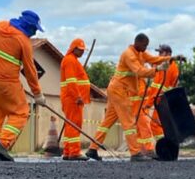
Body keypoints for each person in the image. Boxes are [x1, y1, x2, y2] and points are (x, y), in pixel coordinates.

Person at [0, 10, 44, 162]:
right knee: (21, 112)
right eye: (34, 30)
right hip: (7, 82)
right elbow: (30, 70)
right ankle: (2, 144)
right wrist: (38, 94)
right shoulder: (23, 41)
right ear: (29, 26)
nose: (34, 33)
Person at [106, 33, 172, 162]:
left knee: (134, 124)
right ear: (138, 42)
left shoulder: (140, 54)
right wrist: (158, 69)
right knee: (131, 124)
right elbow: (141, 72)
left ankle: (92, 149)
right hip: (123, 93)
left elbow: (153, 59)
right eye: (145, 45)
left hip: (138, 99)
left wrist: (170, 58)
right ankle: (137, 153)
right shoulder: (130, 56)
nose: (146, 48)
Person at [59, 38, 91, 161]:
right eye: (81, 50)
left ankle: (68, 151)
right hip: (73, 99)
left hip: (72, 98)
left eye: (83, 50)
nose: (82, 52)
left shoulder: (71, 60)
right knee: (74, 125)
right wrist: (77, 96)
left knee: (70, 125)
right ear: (74, 48)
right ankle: (74, 152)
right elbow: (71, 81)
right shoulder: (70, 61)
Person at [144, 44, 181, 144]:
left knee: (155, 125)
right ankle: (166, 144)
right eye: (158, 52)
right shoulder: (161, 64)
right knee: (159, 125)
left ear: (168, 54)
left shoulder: (171, 67)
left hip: (161, 101)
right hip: (159, 100)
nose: (158, 54)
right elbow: (150, 62)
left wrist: (148, 103)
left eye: (161, 52)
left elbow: (168, 87)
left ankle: (164, 145)